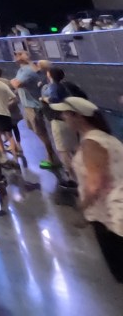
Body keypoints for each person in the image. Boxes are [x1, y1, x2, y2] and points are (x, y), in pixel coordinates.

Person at [50, 97, 123, 282]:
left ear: (79, 116)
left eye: (66, 114)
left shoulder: (92, 143)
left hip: (112, 215)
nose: (63, 117)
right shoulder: (106, 137)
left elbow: (95, 183)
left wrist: (81, 209)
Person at [11, 51, 59, 169]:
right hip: (28, 105)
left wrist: (14, 82)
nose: (15, 55)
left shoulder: (27, 70)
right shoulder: (22, 70)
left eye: (19, 54)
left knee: (41, 133)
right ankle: (52, 156)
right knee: (38, 132)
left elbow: (15, 84)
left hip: (34, 106)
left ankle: (52, 158)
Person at [42, 66, 86, 184]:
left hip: (59, 120)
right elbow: (83, 96)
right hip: (72, 118)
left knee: (63, 150)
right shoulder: (69, 85)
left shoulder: (53, 87)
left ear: (50, 75)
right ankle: (82, 174)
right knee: (75, 148)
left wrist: (45, 99)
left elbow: (55, 100)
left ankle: (72, 178)